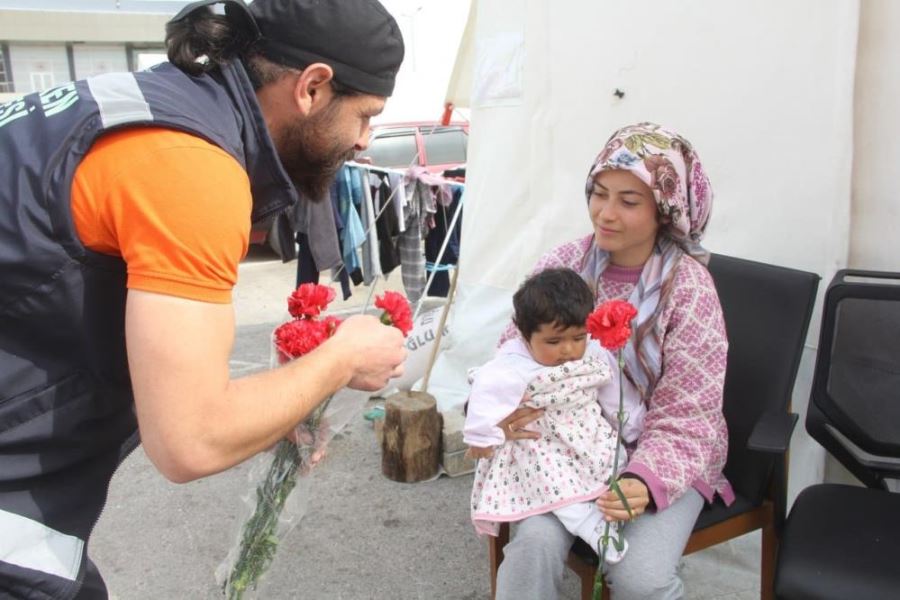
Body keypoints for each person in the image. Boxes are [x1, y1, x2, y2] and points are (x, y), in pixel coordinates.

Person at [0, 1, 408, 598]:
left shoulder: (150, 106)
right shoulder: (188, 167)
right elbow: (191, 439)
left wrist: (280, 408)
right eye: (366, 116)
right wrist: (341, 360)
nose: (365, 141)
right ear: (313, 88)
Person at [490, 122, 732, 600]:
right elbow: (514, 350)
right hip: (566, 445)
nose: (605, 213)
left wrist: (643, 478)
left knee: (641, 578)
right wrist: (506, 408)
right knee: (532, 547)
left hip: (661, 453)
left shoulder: (689, 289)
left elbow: (690, 410)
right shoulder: (565, 264)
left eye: (629, 200)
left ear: (666, 209)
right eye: (599, 193)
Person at [464, 268, 639, 563]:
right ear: (525, 334)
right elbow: (486, 394)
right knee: (553, 482)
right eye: (554, 342)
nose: (568, 350)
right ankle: (586, 523)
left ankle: (607, 509)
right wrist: (481, 437)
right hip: (539, 445)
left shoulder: (594, 351)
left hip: (585, 435)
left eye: (578, 337)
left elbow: (612, 391)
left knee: (612, 462)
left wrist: (633, 426)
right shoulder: (511, 364)